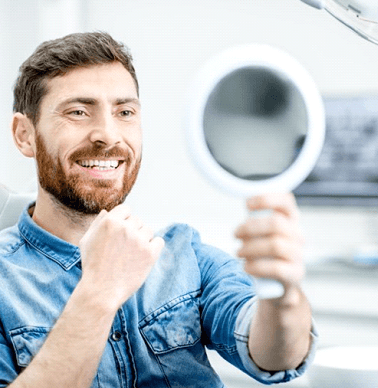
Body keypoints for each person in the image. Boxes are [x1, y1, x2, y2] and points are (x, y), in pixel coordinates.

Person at [0, 32, 317, 388]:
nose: (107, 134)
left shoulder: (185, 254)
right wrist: (98, 293)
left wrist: (284, 294)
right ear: (25, 135)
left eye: (125, 112)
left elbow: (275, 356)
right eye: (78, 111)